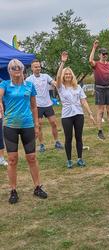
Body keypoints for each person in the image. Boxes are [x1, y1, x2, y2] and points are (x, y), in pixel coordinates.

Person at [0, 59, 48, 204]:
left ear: (22, 69)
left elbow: (34, 106)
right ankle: (13, 190)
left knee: (32, 157)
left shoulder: (29, 85)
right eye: (13, 68)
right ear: (9, 71)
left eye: (19, 67)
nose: (16, 69)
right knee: (12, 159)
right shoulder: (5, 85)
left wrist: (36, 125)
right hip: (10, 126)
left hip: (27, 124)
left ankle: (37, 187)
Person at [56, 52, 96, 168]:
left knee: (79, 137)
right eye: (66, 74)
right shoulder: (61, 87)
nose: (68, 75)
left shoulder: (77, 87)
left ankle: (80, 158)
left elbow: (83, 101)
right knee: (68, 138)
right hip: (67, 116)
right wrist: (63, 62)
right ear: (64, 76)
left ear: (72, 75)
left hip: (78, 114)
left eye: (69, 74)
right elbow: (58, 77)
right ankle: (69, 160)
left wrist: (90, 114)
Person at [26, 59, 63, 152]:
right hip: (37, 106)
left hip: (47, 104)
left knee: (54, 123)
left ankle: (57, 142)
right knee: (39, 126)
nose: (38, 68)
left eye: (39, 66)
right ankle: (42, 144)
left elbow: (54, 83)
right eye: (35, 67)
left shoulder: (46, 76)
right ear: (32, 68)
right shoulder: (29, 80)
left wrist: (56, 84)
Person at [89, 41, 109, 140]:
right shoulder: (96, 64)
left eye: (106, 54)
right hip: (99, 89)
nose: (105, 55)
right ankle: (99, 131)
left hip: (108, 88)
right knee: (100, 111)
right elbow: (90, 60)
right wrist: (94, 47)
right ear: (99, 55)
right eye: (103, 54)